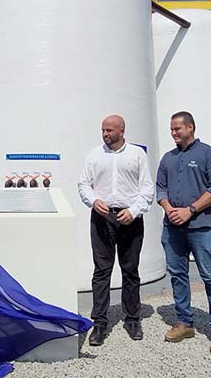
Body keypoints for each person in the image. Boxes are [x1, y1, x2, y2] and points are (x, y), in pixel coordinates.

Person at [156, 111, 211, 356]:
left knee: (210, 277)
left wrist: (190, 210)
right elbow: (161, 188)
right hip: (172, 227)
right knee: (177, 274)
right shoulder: (167, 158)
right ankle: (185, 323)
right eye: (171, 129)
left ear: (190, 127)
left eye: (177, 129)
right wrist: (169, 209)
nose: (173, 133)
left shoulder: (209, 154)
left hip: (202, 226)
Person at [77, 115, 154, 346]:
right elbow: (83, 184)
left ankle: (132, 319)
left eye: (109, 130)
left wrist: (134, 210)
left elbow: (147, 188)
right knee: (101, 271)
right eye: (103, 130)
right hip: (102, 217)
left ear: (122, 130)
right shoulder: (94, 155)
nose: (105, 134)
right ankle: (99, 322)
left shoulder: (137, 154)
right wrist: (92, 201)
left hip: (131, 218)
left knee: (130, 270)